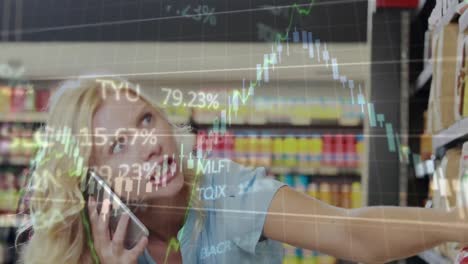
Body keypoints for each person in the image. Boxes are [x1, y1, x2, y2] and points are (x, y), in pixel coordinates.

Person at [16, 77, 468, 264]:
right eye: (119, 145)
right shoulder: (83, 252)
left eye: (147, 120)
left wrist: (458, 223)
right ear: (95, 185)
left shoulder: (224, 193)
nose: (151, 144)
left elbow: (347, 232)